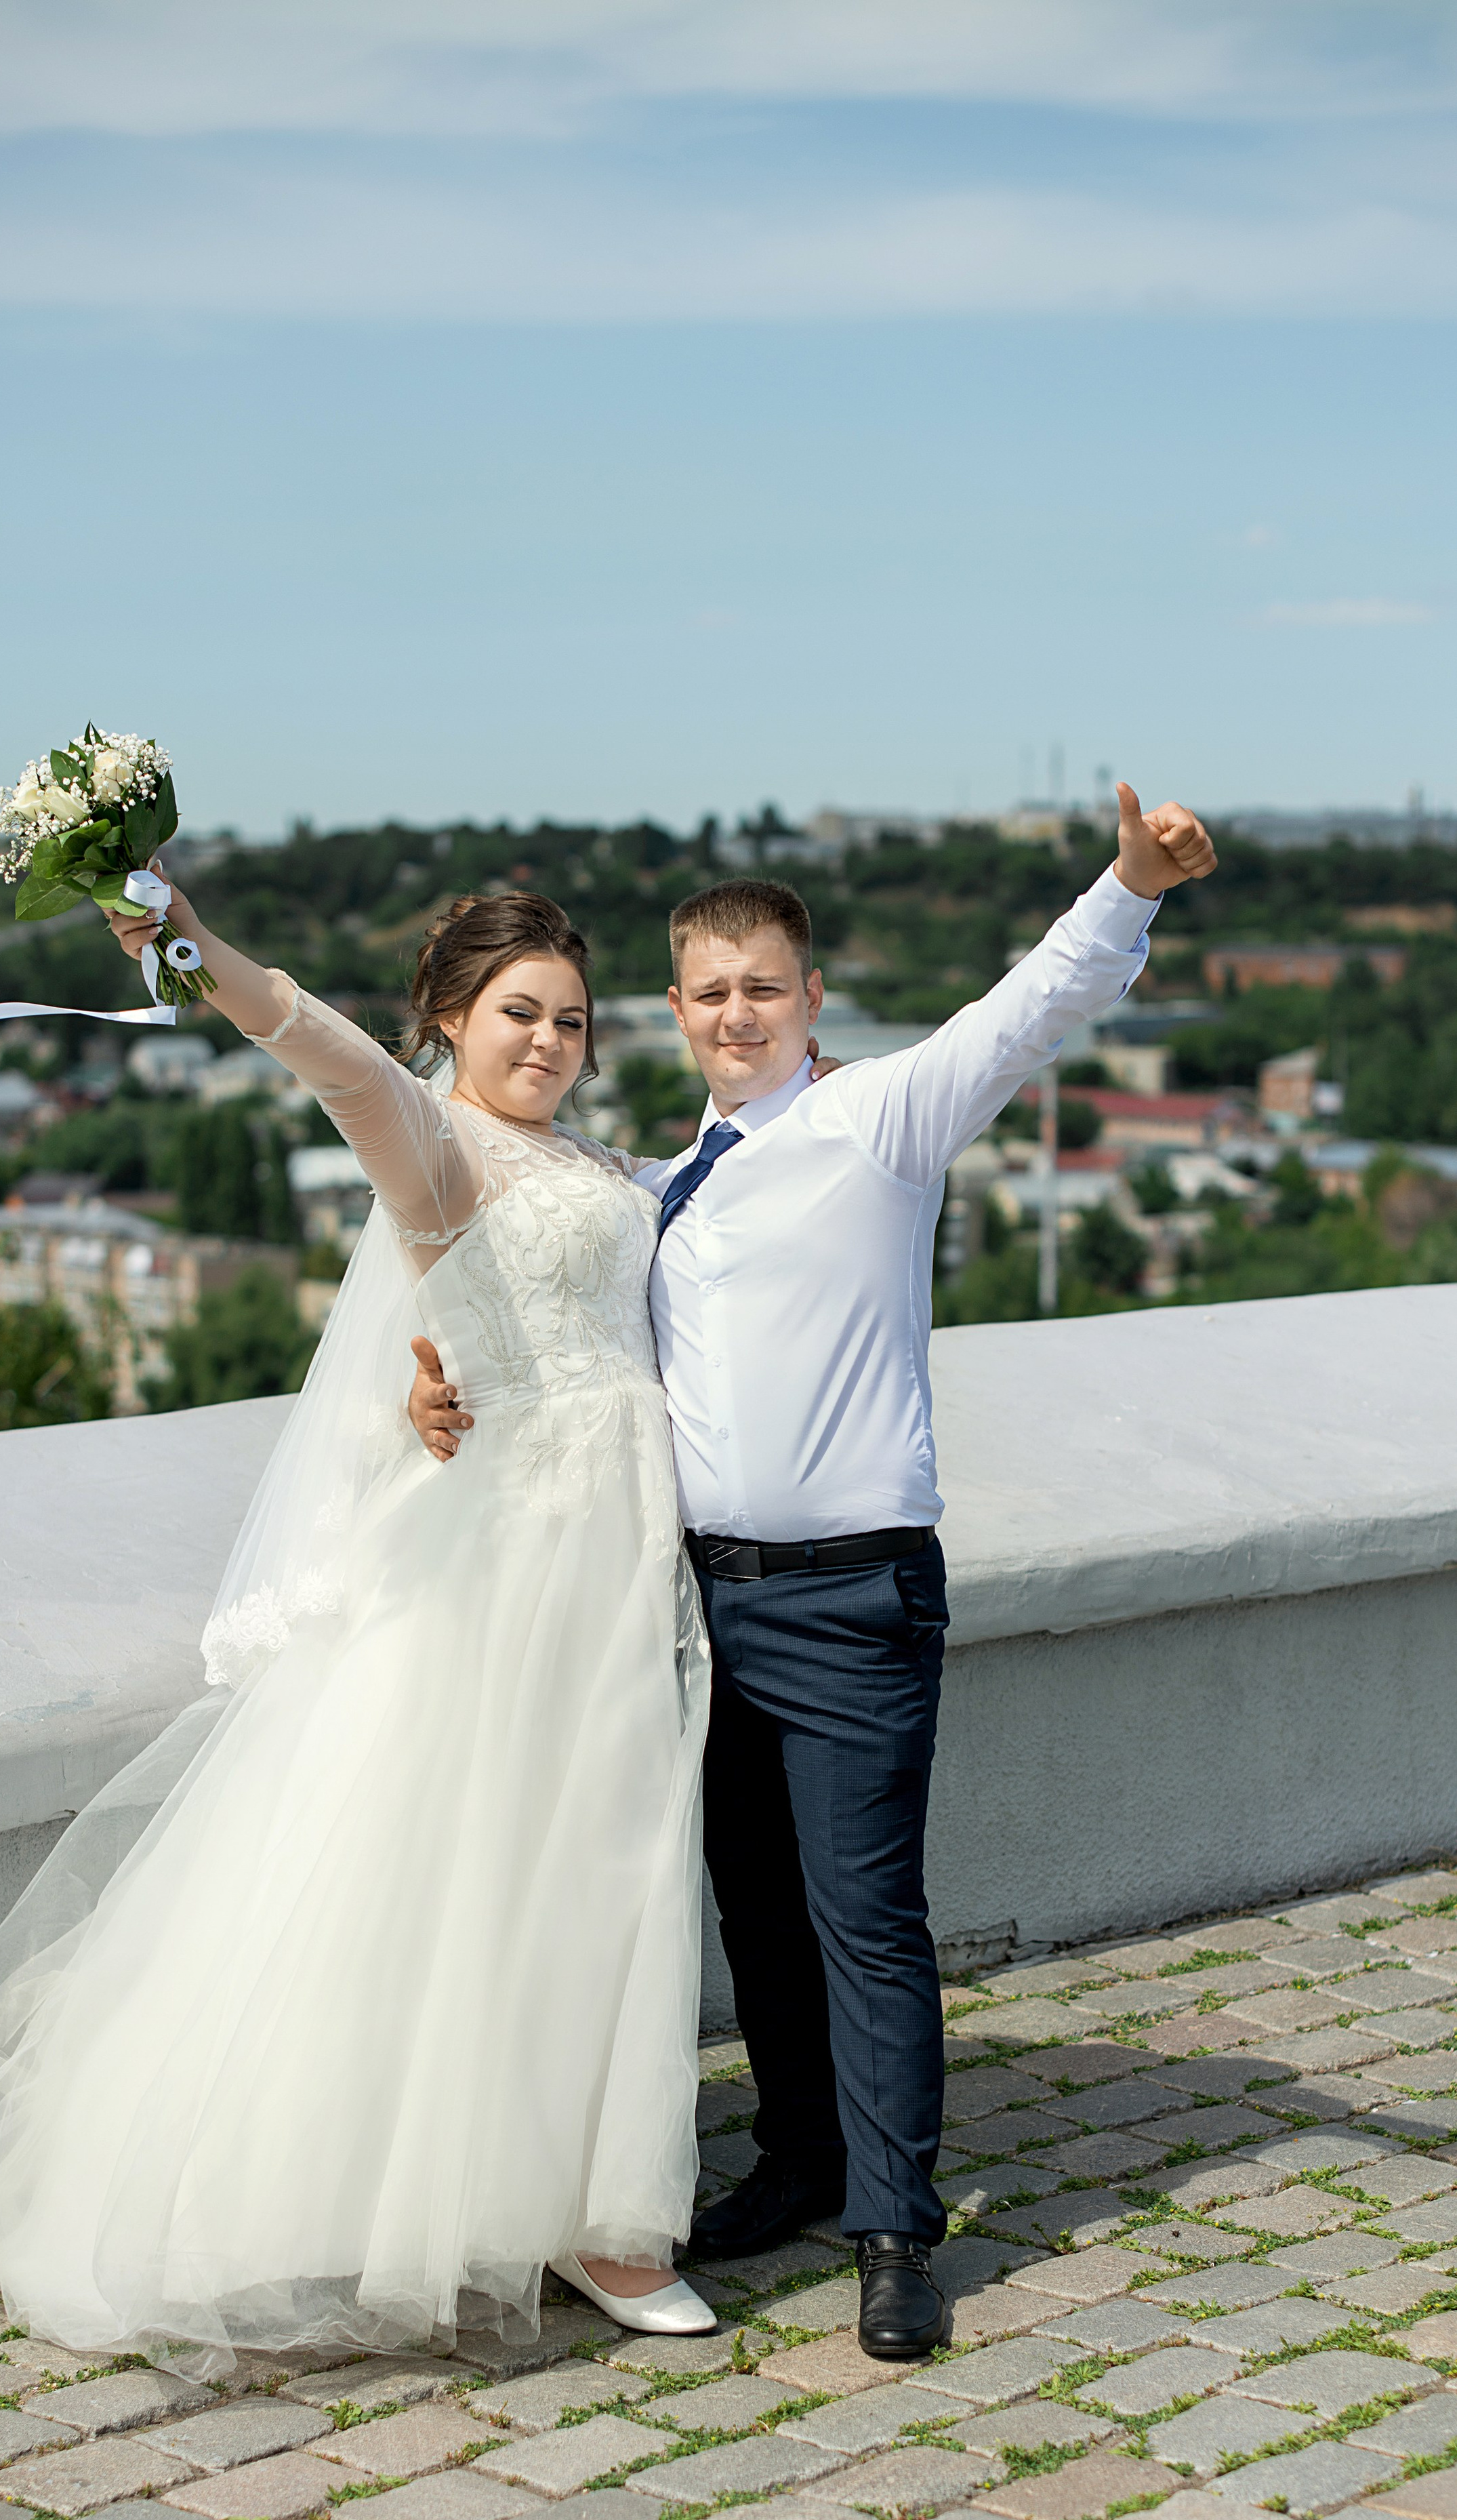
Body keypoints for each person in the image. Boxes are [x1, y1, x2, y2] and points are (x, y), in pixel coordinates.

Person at [409, 785, 1217, 2359]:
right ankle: (797, 2158)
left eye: (761, 985)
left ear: (808, 997)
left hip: (852, 1596)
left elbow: (1025, 1009)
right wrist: (422, 1391)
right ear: (673, 1008)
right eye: (706, 989)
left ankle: (897, 2230)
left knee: (863, 1919)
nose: (734, 1011)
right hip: (697, 1596)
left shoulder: (876, 1119)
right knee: (755, 1911)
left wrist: (1125, 884)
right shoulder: (657, 1184)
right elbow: (548, 1336)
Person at [0, 886, 722, 2363]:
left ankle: (595, 2206)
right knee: (474, 1869)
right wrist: (195, 946)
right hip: (505, 1564)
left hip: (618, 1551)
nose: (549, 1038)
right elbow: (323, 1054)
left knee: (606, 1865)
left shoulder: (591, 1156)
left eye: (571, 1016)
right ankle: (480, 2205)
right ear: (447, 1018)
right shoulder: (434, 1142)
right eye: (518, 1009)